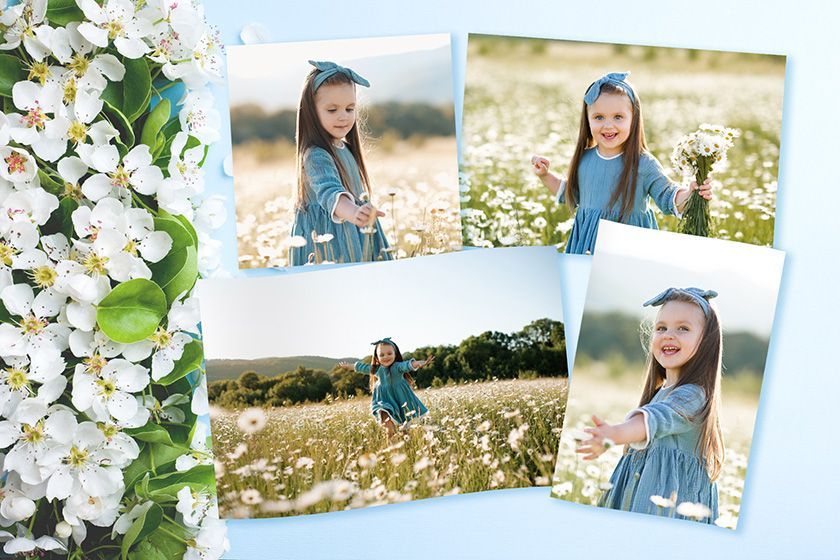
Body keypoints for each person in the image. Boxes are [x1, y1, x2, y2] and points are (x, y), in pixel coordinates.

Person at [576, 287, 724, 523]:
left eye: (683, 328)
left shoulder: (693, 396)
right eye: (661, 328)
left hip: (668, 508)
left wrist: (613, 434)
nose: (668, 335)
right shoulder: (659, 392)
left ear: (706, 342)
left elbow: (654, 420)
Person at [531, 72, 712, 254]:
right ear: (588, 119)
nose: (608, 125)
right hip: (588, 247)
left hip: (630, 249)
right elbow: (570, 193)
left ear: (633, 119)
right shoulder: (584, 160)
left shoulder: (643, 163)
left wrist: (690, 193)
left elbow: (667, 195)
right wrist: (545, 175)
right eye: (599, 117)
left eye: (618, 117)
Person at [289, 60, 392, 265]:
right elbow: (330, 193)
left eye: (349, 108)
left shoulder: (346, 148)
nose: (343, 117)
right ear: (311, 112)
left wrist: (359, 213)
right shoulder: (316, 155)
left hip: (356, 232)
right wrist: (354, 212)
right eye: (332, 110)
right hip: (330, 242)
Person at [338, 338, 433, 437]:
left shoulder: (398, 367)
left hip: (400, 399)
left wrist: (419, 363)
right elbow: (362, 367)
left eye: (389, 354)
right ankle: (390, 442)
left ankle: (404, 443)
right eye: (382, 355)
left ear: (395, 354)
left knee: (404, 425)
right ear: (377, 357)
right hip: (382, 400)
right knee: (388, 425)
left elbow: (407, 365)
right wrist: (349, 366)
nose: (386, 357)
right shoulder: (377, 369)